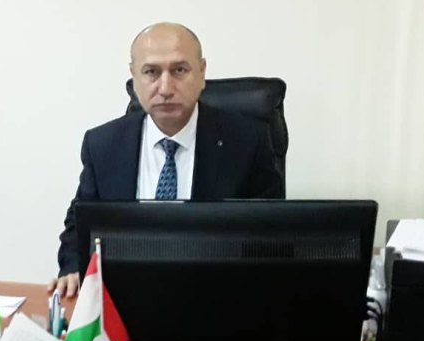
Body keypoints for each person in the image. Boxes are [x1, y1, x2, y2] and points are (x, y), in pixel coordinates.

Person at [48, 22, 284, 297]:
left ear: (202, 72)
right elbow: (80, 224)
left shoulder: (247, 142)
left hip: (216, 296)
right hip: (125, 299)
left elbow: (270, 237)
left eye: (179, 70)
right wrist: (72, 268)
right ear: (134, 76)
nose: (165, 88)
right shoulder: (103, 145)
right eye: (151, 72)